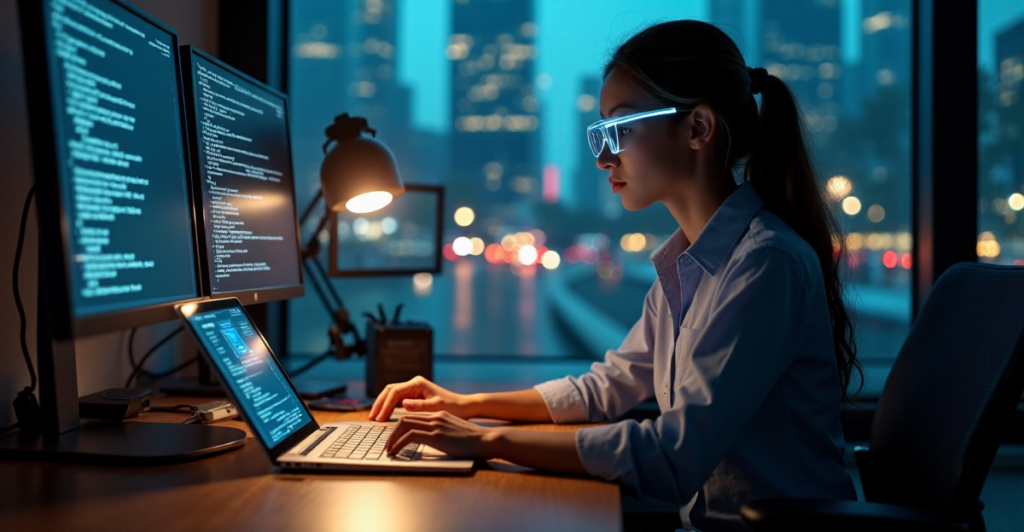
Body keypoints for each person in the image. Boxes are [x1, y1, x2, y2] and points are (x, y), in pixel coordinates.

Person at [372, 19, 859, 531]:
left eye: (621, 129)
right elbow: (607, 387)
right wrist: (468, 405)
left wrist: (485, 439)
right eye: (599, 133)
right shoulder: (685, 263)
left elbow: (673, 455)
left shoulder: (765, 263)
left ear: (698, 129)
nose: (604, 158)